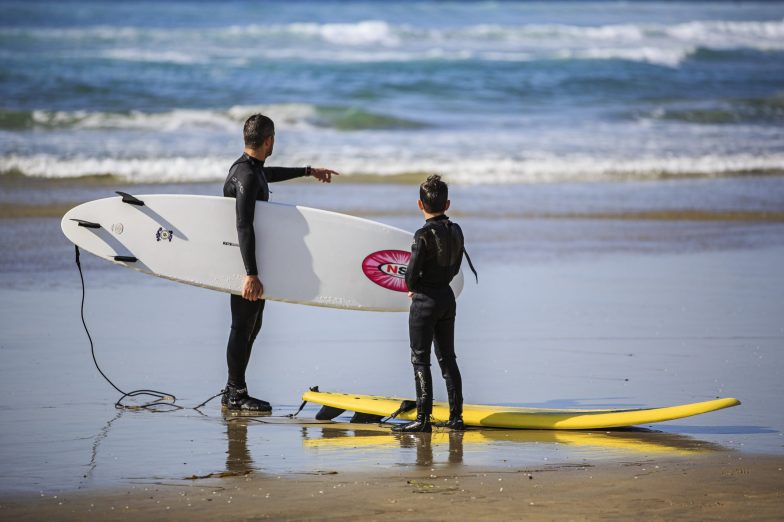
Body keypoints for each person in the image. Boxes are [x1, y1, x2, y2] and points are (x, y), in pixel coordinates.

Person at [222, 113, 338, 412]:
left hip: (251, 261)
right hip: (244, 263)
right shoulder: (246, 175)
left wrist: (309, 170)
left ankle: (234, 388)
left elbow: (267, 174)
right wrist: (250, 273)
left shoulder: (249, 169)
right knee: (242, 325)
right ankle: (235, 392)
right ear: (268, 140)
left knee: (252, 324)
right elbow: (243, 225)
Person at [392, 174, 468, 432]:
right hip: (447, 298)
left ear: (419, 204)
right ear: (447, 204)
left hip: (425, 302)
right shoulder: (456, 230)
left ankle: (423, 418)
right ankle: (456, 416)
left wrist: (414, 288)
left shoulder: (422, 235)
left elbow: (411, 274)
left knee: (420, 359)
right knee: (448, 358)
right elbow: (456, 267)